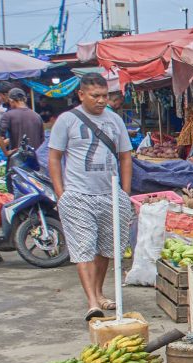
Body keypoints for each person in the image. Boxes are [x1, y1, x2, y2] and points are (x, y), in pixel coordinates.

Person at [48, 73, 134, 321]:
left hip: (110, 194)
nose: (101, 101)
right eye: (95, 96)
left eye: (105, 96)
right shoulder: (67, 120)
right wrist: (61, 193)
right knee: (83, 248)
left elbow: (125, 156)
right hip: (77, 195)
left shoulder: (115, 120)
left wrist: (124, 193)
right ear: (81, 95)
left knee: (106, 248)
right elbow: (54, 157)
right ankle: (92, 302)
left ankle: (99, 292)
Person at [0, 87, 46, 159]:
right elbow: (42, 141)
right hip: (35, 161)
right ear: (24, 99)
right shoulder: (37, 116)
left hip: (17, 160)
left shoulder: (8, 115)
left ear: (11, 100)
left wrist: (6, 152)